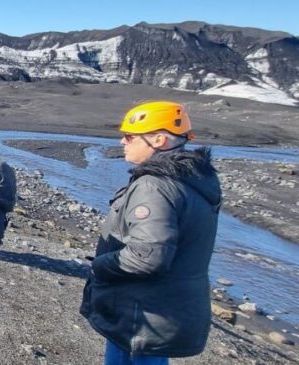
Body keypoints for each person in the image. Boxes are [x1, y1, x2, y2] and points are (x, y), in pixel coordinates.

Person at [80, 101, 221, 364]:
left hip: (140, 317)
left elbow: (146, 257)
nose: (123, 142)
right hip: (162, 312)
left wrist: (99, 266)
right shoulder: (194, 180)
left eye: (130, 136)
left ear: (158, 139)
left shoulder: (155, 186)